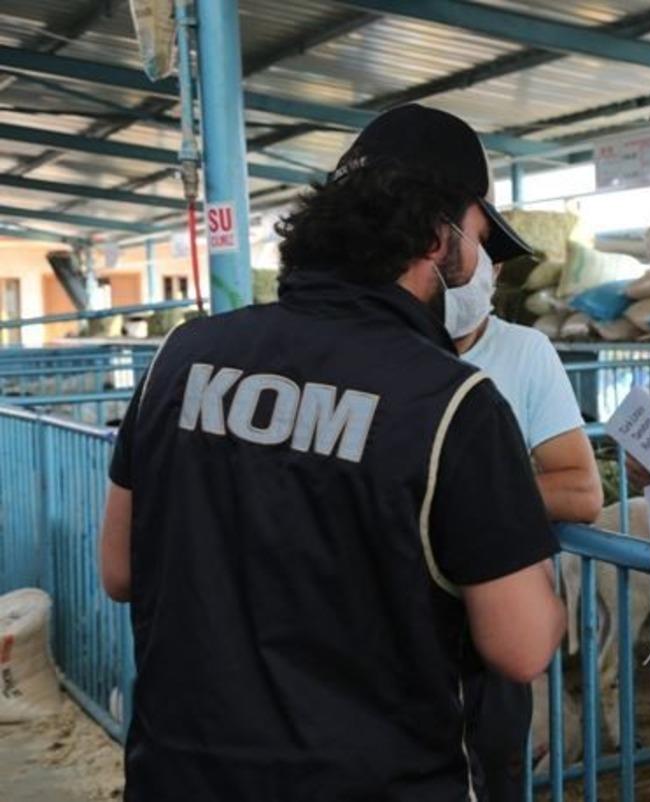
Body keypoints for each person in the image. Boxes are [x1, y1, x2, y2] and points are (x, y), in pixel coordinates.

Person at [98, 104, 565, 802]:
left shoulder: (182, 357)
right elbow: (522, 645)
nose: (484, 267)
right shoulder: (454, 404)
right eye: (479, 237)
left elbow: (119, 569)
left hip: (180, 774)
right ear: (441, 240)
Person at [444, 258, 603, 799]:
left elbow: (582, 492)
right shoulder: (384, 351)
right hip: (400, 631)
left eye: (474, 253)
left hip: (491, 623)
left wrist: (449, 499)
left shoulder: (524, 352)